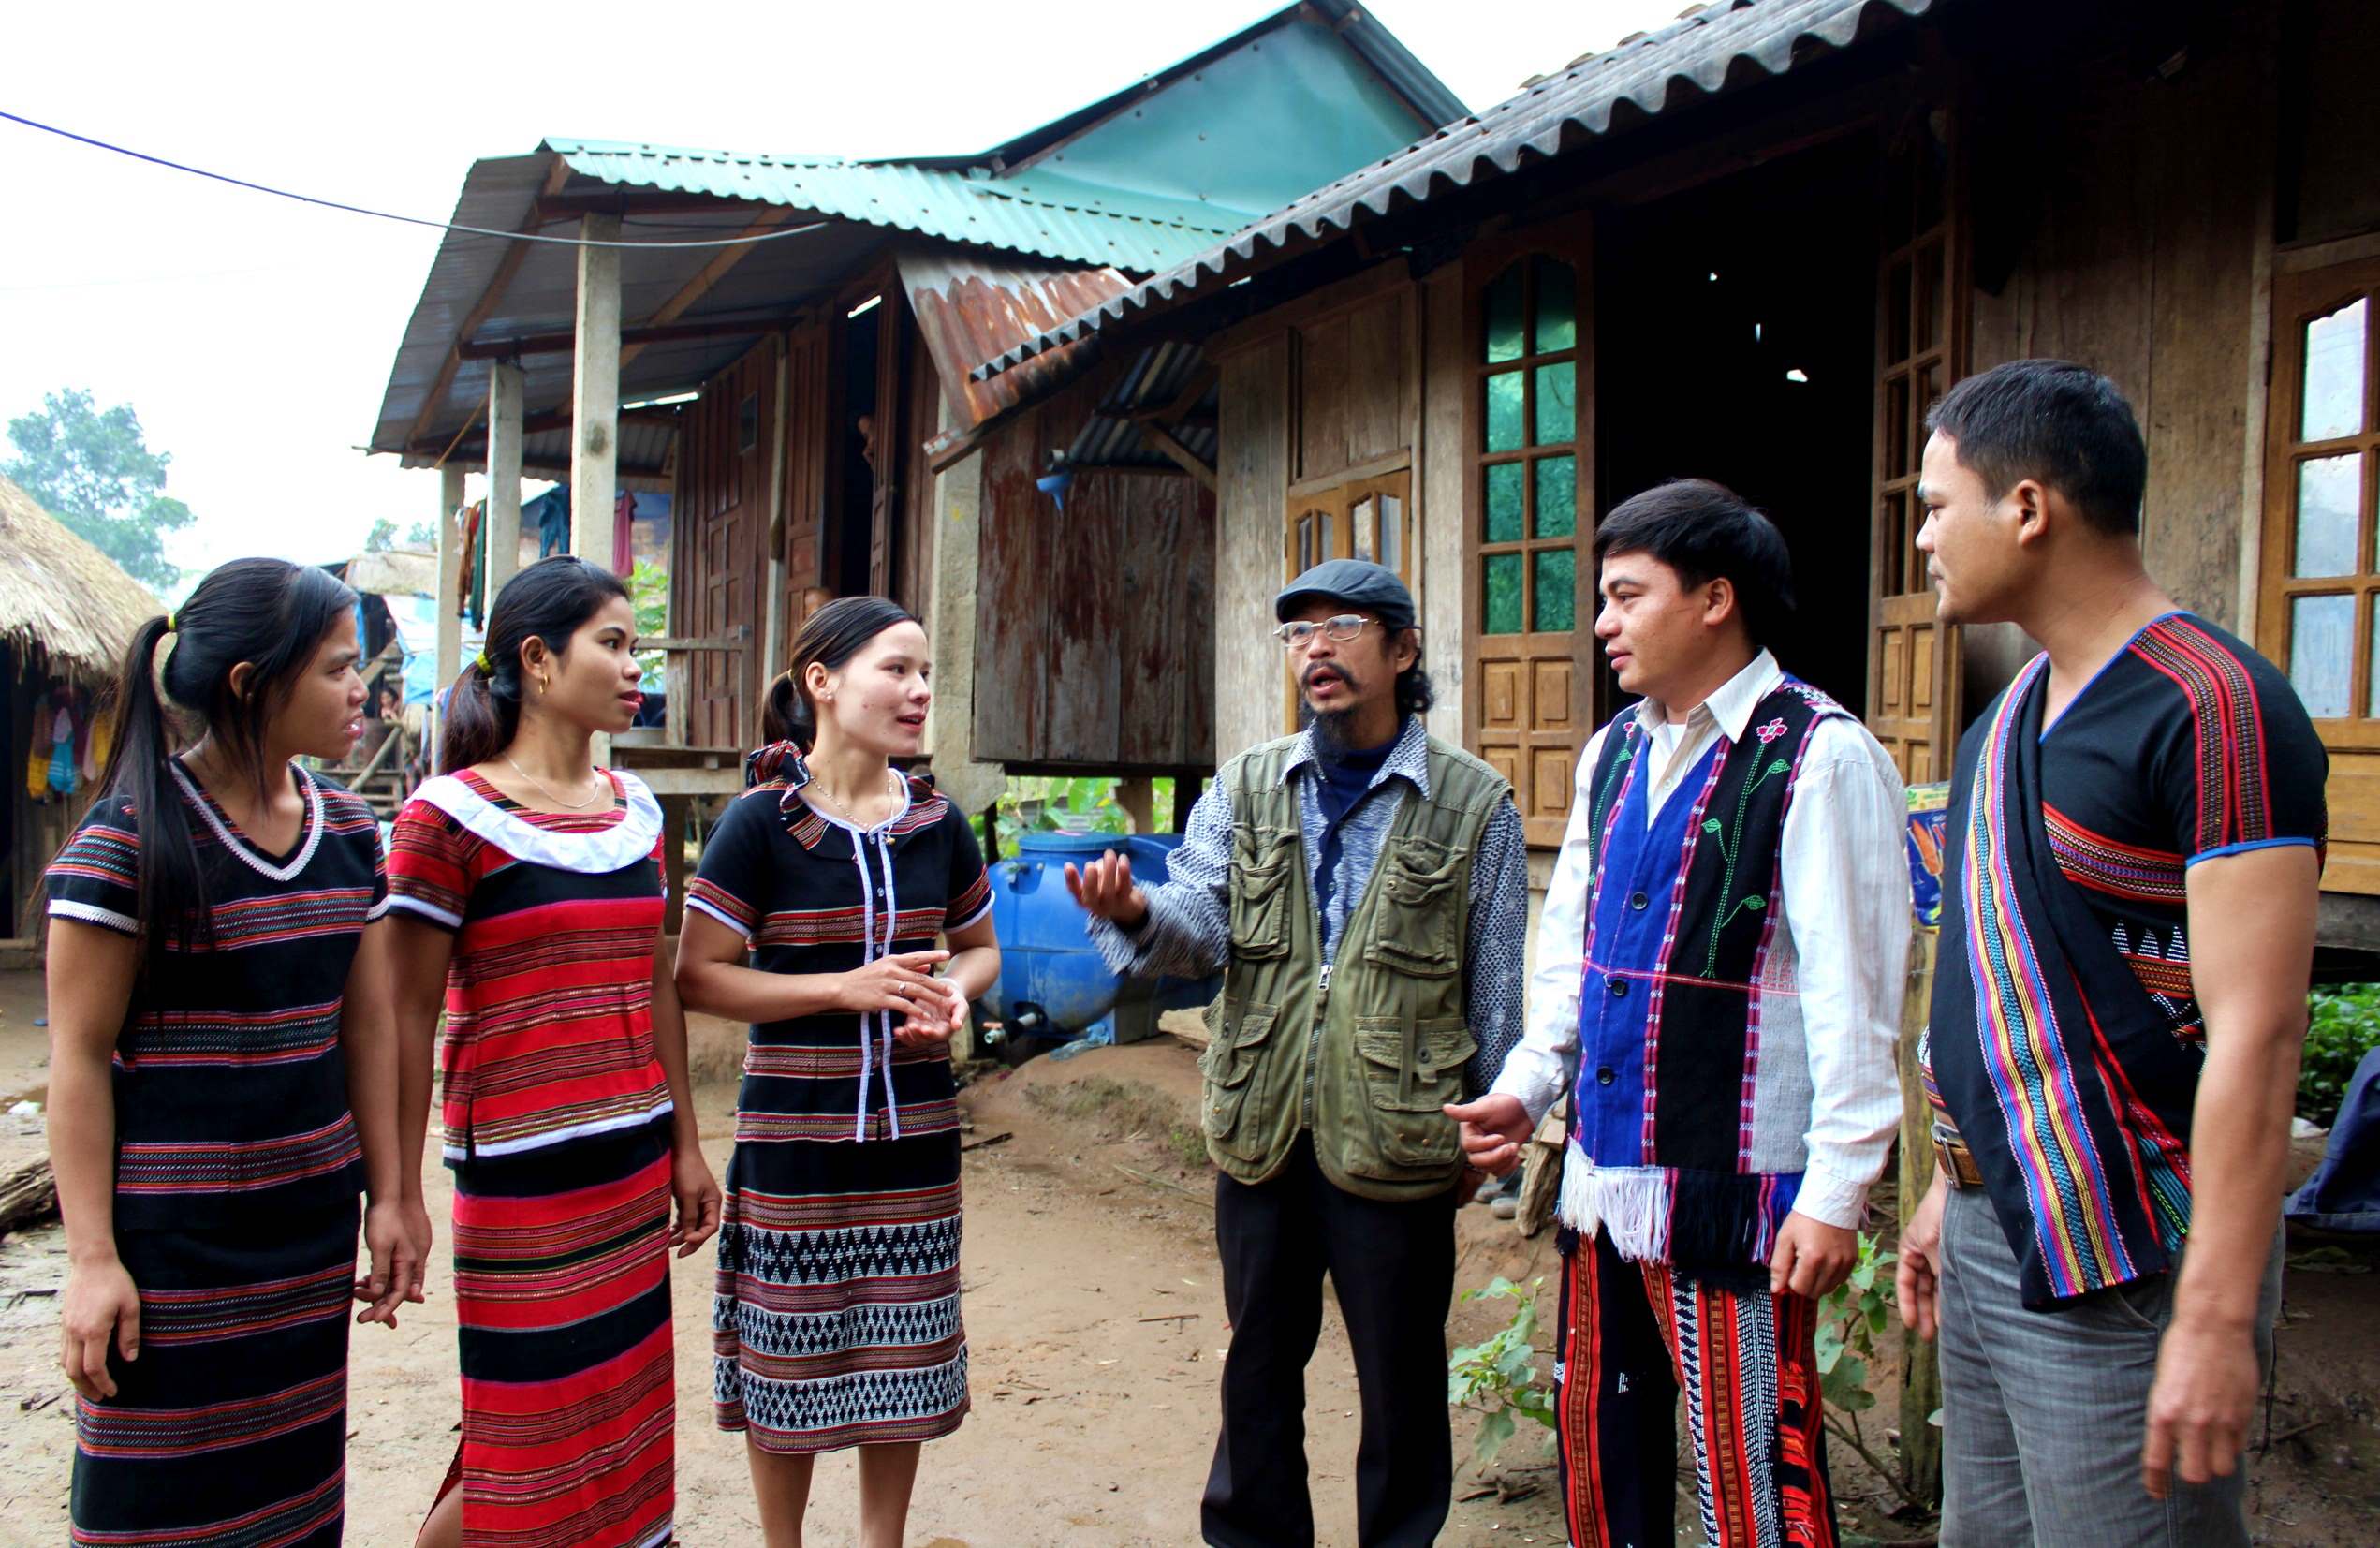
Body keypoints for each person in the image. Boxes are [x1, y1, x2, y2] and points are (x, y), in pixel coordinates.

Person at [1896, 360, 2326, 1546]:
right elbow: (1989, 984)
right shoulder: (2003, 727)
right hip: (1992, 1227)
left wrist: (2213, 1314)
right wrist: (1946, 1181)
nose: (1922, 536)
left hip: (2131, 1243)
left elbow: (2259, 1029)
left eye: (1935, 505)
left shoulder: (2213, 704)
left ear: (2026, 508)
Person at [1451, 479, 1908, 1548]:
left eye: (1623, 595)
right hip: (1606, 1178)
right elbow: (1571, 952)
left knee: (1751, 1461)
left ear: (1713, 598)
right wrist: (1527, 1088)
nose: (1601, 624)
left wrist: (1838, 1188)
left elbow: (1857, 995)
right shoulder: (1614, 752)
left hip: (1733, 1196)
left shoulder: (1821, 753)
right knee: (1600, 1442)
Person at [1067, 557, 1530, 1548]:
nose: (1313, 649)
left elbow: (1494, 984)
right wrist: (1140, 912)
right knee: (1259, 1369)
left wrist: (1491, 1132)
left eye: (1340, 628)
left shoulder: (1474, 803)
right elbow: (1202, 921)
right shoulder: (1247, 784)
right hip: (1264, 1128)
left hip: (1399, 1135)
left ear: (1402, 650)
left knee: (1401, 1386)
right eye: (1296, 634)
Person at [44, 557, 417, 1546]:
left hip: (305, 1236)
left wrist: (394, 1196)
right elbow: (77, 1061)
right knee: (153, 1509)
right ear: (254, 685)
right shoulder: (126, 849)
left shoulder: (348, 831)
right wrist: (91, 1262)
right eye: (338, 668)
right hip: (172, 1255)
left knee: (292, 1503)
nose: (363, 691)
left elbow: (367, 1024)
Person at [386, 556, 720, 1548]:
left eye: (636, 646)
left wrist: (688, 1148)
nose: (635, 668)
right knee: (521, 1430)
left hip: (627, 1169)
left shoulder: (638, 813)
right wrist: (397, 1195)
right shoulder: (444, 821)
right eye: (612, 644)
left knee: (616, 1417)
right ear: (536, 659)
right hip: (521, 1181)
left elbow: (654, 980)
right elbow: (402, 1017)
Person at [675, 597, 998, 1548]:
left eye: (925, 671)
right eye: (895, 669)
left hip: (915, 1143)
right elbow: (698, 976)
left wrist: (958, 999)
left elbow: (976, 948)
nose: (919, 690)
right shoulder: (759, 826)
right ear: (821, 681)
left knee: (900, 1349)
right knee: (788, 1353)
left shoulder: (937, 823)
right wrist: (840, 989)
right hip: (790, 1143)